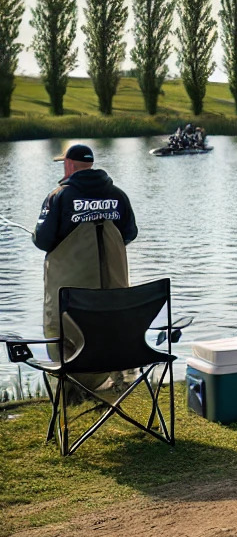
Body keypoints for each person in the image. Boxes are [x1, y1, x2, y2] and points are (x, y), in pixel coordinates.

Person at [34, 144, 138, 372]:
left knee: (57, 331)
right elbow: (129, 234)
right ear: (91, 164)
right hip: (112, 297)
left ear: (69, 164)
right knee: (109, 328)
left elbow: (42, 241)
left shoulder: (59, 196)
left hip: (70, 298)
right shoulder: (118, 195)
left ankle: (73, 387)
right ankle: (115, 378)